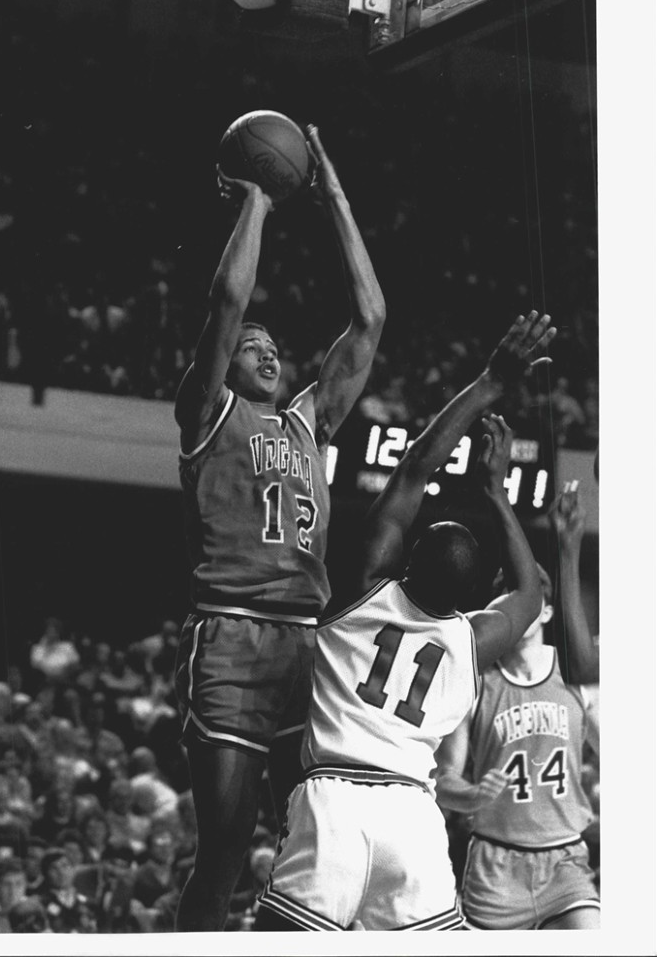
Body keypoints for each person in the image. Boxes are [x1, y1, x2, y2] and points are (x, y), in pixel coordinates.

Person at [254, 312, 556, 931]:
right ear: (474, 595)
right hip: (415, 821)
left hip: (334, 800)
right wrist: (498, 495)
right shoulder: (474, 639)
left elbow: (416, 465)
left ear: (407, 558)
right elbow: (527, 594)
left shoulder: (367, 587)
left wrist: (489, 384)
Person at [173, 125, 386, 931]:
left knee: (311, 837)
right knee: (226, 843)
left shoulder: (307, 422)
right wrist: (259, 199)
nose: (265, 348)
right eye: (250, 347)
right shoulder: (206, 413)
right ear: (221, 365)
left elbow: (369, 319)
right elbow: (228, 302)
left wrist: (331, 194)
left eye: (272, 345)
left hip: (303, 641)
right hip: (230, 636)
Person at [434, 481, 600, 930]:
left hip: (565, 860)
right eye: (506, 595)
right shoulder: (476, 683)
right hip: (494, 863)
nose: (517, 605)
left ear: (545, 611)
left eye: (526, 598)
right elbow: (443, 778)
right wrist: (468, 794)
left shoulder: (576, 675)